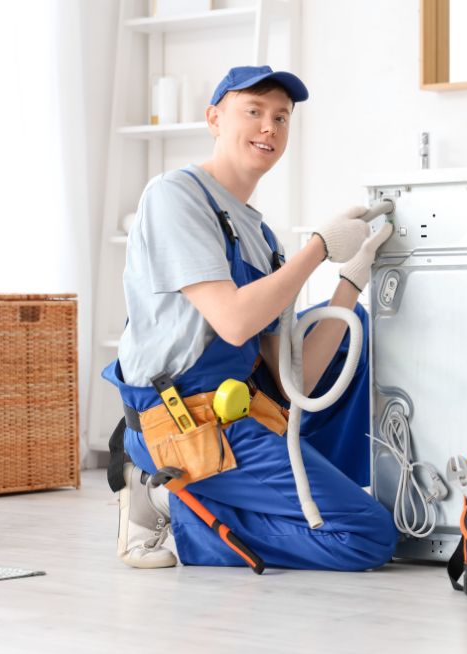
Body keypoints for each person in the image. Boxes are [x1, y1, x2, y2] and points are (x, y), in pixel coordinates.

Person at [103, 65, 397, 571]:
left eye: (281, 117)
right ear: (214, 118)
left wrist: (350, 282)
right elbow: (233, 322)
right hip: (181, 424)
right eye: (254, 112)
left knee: (356, 329)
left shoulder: (262, 238)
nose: (269, 127)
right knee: (366, 538)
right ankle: (177, 507)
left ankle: (198, 501)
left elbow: (294, 380)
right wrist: (319, 249)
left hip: (235, 412)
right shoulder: (176, 196)